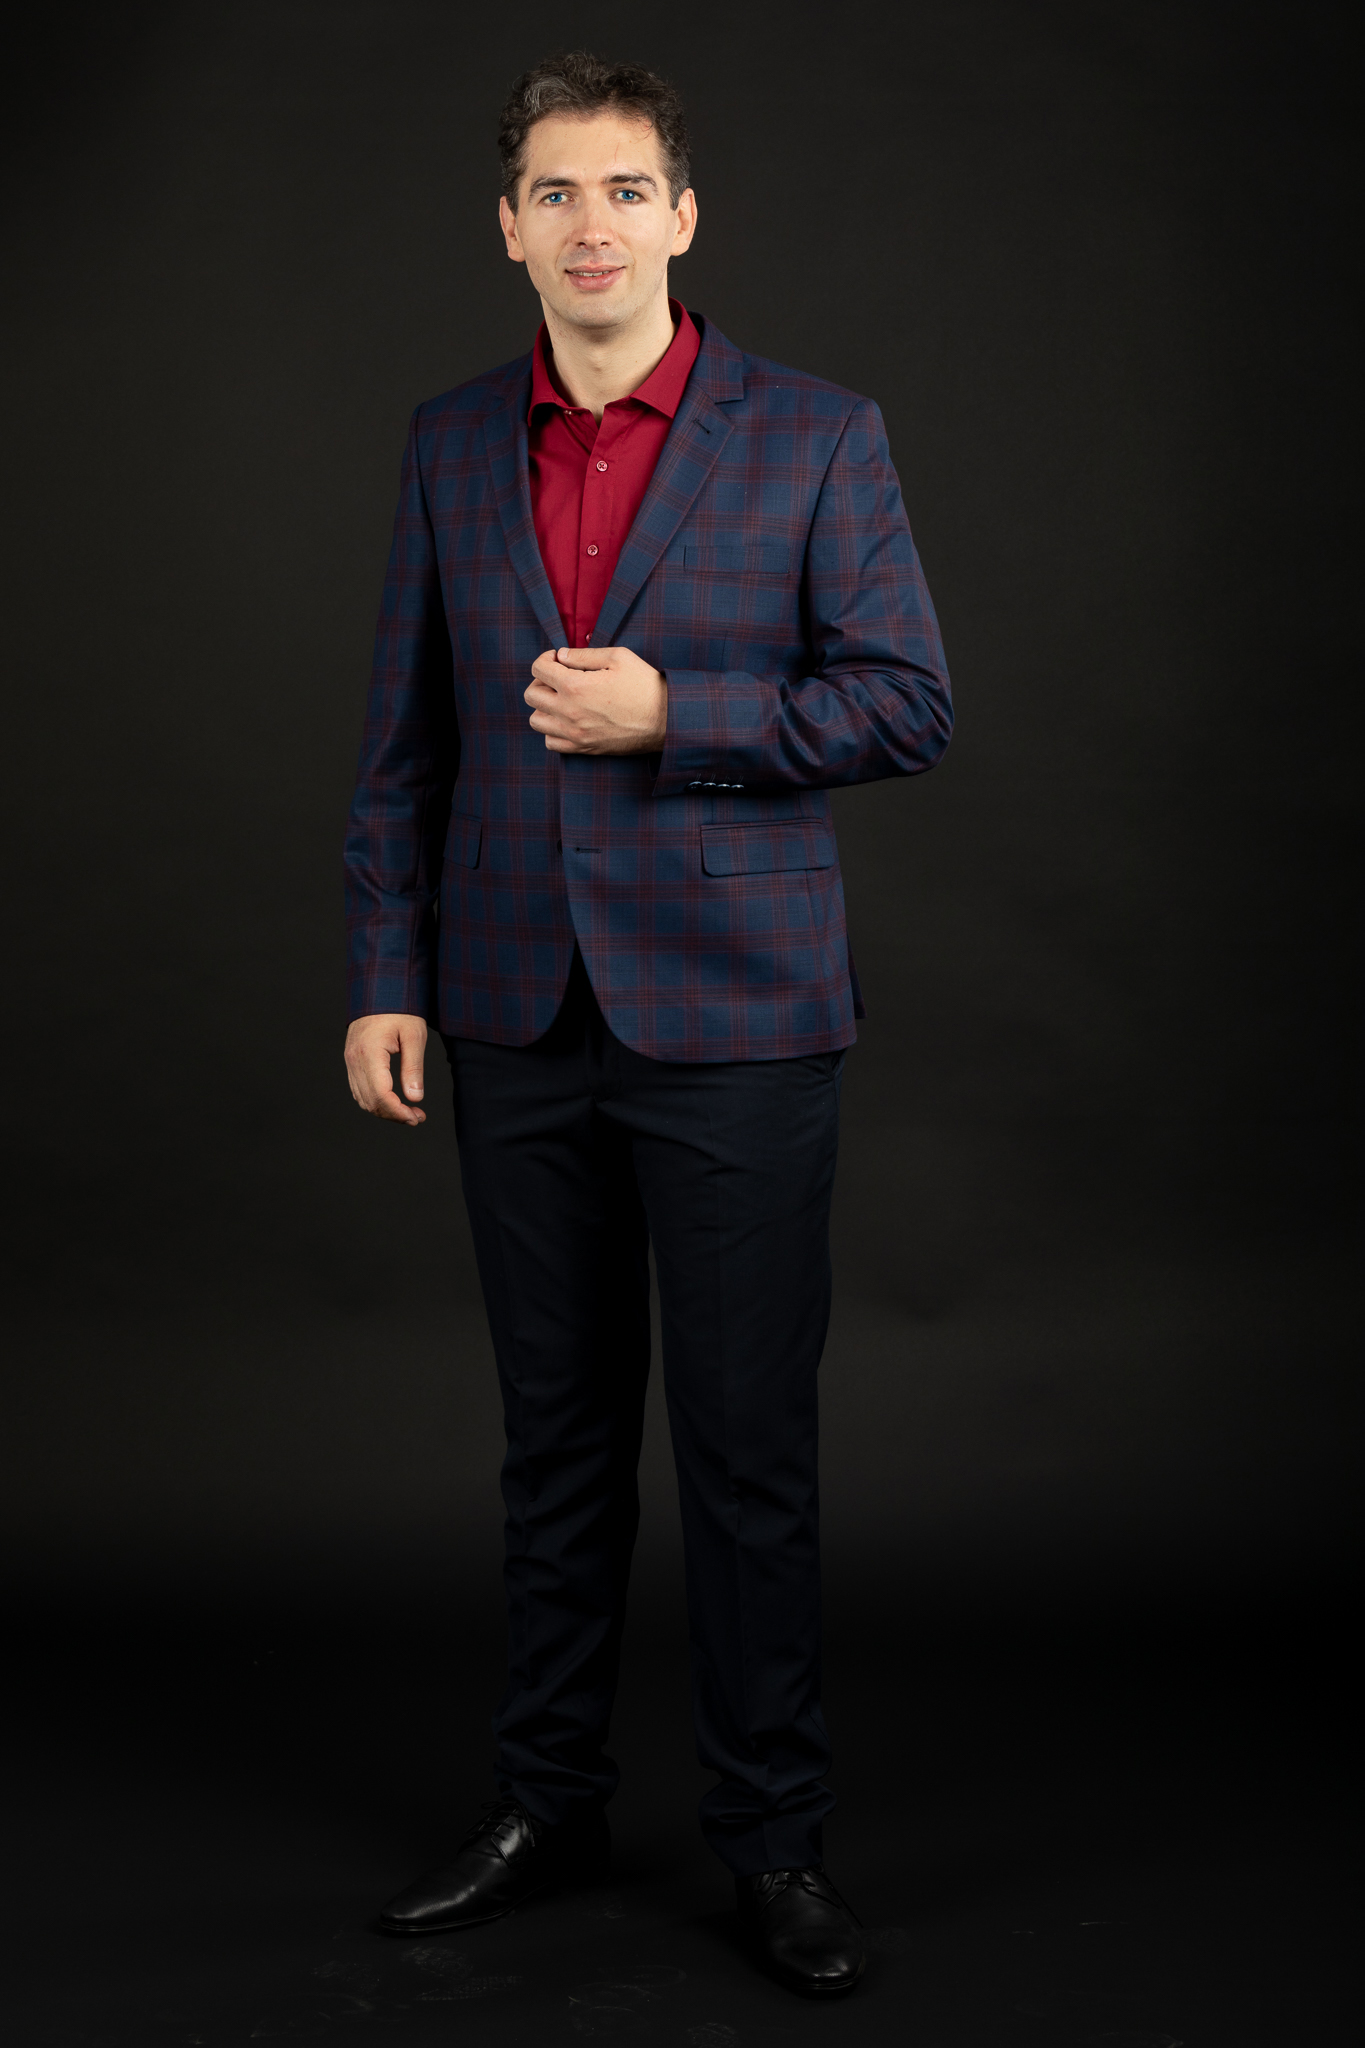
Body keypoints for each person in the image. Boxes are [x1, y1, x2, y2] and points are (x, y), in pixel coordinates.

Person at [342, 50, 951, 1999]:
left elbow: (903, 702)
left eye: (622, 189)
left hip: (741, 1023)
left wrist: (673, 713)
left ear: (683, 217)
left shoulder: (816, 435)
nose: (587, 224)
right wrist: (384, 970)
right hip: (512, 1010)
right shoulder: (450, 442)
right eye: (551, 191)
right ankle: (547, 1800)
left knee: (746, 1452)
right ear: (507, 226)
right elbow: (401, 748)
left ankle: (775, 1846)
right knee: (551, 1442)